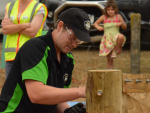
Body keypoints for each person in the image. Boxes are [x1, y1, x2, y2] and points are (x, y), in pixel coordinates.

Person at [0, 8, 92, 113]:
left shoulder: (68, 59)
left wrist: (68, 111)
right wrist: (80, 91)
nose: (75, 45)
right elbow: (36, 94)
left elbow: (57, 97)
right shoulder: (34, 49)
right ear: (60, 26)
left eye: (79, 41)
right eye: (73, 38)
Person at [1, 0, 48, 78]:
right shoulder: (9, 6)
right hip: (11, 58)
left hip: (30, 57)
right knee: (11, 89)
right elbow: (5, 30)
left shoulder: (39, 7)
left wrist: (12, 26)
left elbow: (32, 32)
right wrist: (24, 25)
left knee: (27, 89)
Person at [94, 0, 127, 69]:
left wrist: (121, 24)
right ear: (106, 10)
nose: (110, 11)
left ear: (115, 9)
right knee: (109, 60)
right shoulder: (104, 17)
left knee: (121, 37)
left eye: (112, 9)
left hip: (116, 37)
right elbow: (95, 23)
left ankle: (115, 50)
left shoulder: (118, 16)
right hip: (107, 40)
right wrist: (98, 27)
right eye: (108, 9)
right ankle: (110, 70)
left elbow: (125, 27)